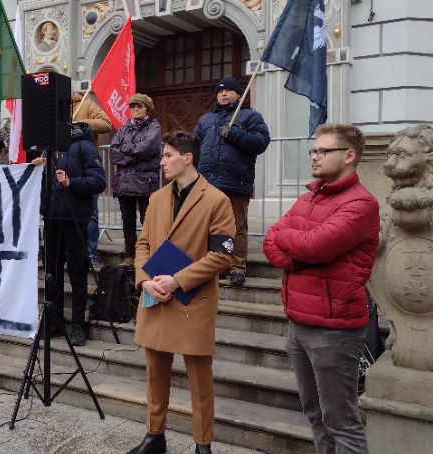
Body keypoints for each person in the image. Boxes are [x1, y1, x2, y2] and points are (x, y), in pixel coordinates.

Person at [263, 124, 378, 454]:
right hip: (298, 322)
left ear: (349, 155)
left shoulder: (361, 204)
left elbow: (316, 245)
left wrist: (296, 245)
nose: (315, 156)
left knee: (341, 421)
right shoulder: (309, 196)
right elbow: (271, 240)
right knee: (314, 414)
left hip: (335, 329)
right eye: (314, 150)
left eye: (323, 151)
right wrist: (296, 254)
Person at [127, 131, 235, 454]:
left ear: (187, 158)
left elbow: (221, 256)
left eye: (167, 155)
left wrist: (177, 280)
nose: (161, 161)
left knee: (200, 382)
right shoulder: (156, 198)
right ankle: (154, 436)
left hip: (191, 300)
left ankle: (203, 445)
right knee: (155, 375)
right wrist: (144, 280)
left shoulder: (217, 200)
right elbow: (143, 244)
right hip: (155, 297)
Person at [32, 122, 106, 346]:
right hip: (53, 219)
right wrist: (39, 168)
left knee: (77, 275)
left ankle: (78, 326)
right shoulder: (50, 148)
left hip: (74, 220)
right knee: (51, 275)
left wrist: (71, 182)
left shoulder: (84, 147)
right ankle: (52, 323)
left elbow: (99, 181)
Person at [194, 77, 270, 286]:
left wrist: (235, 133)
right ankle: (217, 264)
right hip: (208, 182)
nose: (223, 94)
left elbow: (261, 142)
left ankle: (238, 266)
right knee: (211, 227)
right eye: (220, 91)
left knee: (237, 226)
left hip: (235, 180)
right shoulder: (205, 120)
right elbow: (194, 145)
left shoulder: (250, 116)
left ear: (238, 94)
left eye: (228, 90)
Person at [109, 93, 162, 267]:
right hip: (124, 182)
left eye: (139, 106)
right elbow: (113, 152)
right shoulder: (124, 128)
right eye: (132, 106)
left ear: (147, 108)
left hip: (145, 182)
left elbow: (148, 148)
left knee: (148, 222)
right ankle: (130, 255)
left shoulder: (154, 126)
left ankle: (149, 255)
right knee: (128, 223)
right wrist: (134, 154)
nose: (135, 109)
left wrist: (126, 152)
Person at [71, 90, 114, 266]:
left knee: (91, 214)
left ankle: (91, 255)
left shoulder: (86, 104)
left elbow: (106, 124)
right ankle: (73, 254)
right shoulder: (56, 106)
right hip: (66, 163)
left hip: (85, 162)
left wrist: (80, 123)